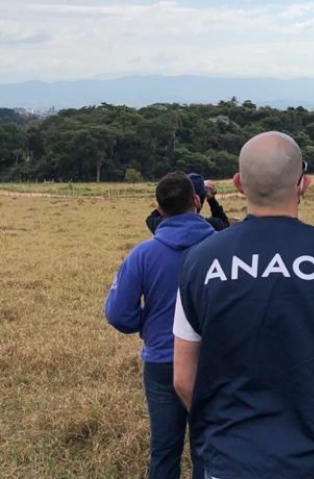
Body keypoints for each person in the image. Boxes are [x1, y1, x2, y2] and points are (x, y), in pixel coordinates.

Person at [173, 131, 314, 479]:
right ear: (304, 184)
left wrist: (222, 428)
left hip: (231, 461)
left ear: (238, 184)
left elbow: (182, 377)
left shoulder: (198, 259)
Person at [105, 172, 214, 479]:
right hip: (213, 361)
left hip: (163, 360)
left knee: (164, 449)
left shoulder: (143, 253)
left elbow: (118, 313)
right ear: (197, 201)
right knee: (208, 447)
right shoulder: (222, 248)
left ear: (159, 209)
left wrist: (147, 324)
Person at [146, 172, 230, 234]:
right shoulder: (209, 225)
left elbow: (151, 218)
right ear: (197, 201)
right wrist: (211, 200)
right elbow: (225, 225)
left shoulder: (161, 225)